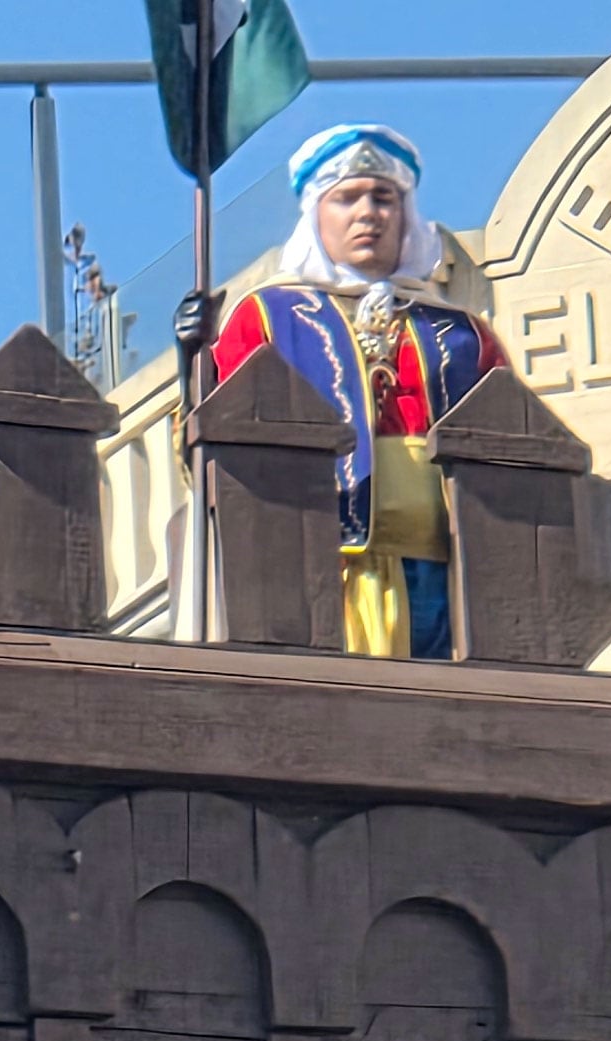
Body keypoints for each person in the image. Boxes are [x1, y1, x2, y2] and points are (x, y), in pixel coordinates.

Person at [206, 125, 512, 661]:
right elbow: (217, 442)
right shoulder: (269, 316)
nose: (368, 213)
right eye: (346, 198)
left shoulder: (461, 332)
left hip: (442, 566)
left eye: (383, 198)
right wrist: (190, 357)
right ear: (315, 214)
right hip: (323, 561)